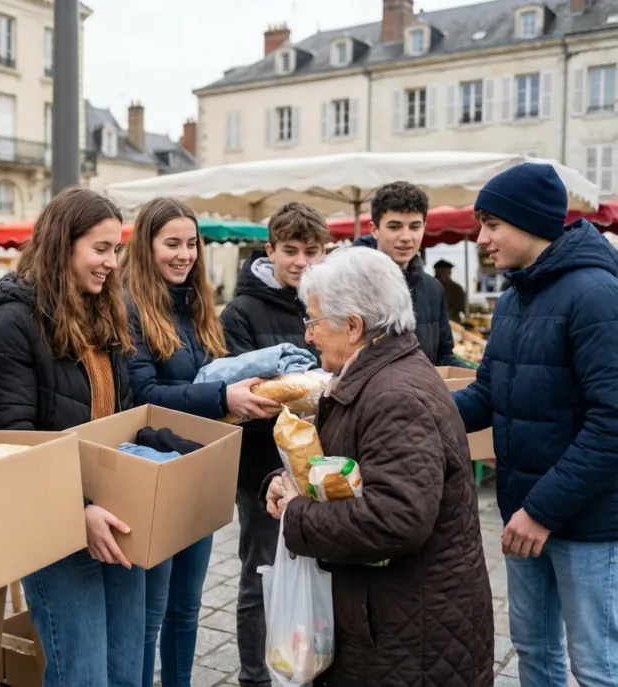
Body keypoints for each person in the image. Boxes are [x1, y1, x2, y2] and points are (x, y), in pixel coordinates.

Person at [264, 246, 494, 686]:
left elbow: (397, 518)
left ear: (353, 326)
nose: (308, 336)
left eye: (313, 321)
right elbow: (356, 467)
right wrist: (285, 481)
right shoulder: (379, 374)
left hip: (407, 637)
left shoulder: (394, 395)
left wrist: (298, 513)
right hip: (396, 622)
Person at [453, 163, 618, 686]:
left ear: (530, 223)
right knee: (534, 651)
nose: (483, 239)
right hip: (522, 513)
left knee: (595, 666)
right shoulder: (514, 298)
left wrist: (541, 512)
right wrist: (412, 414)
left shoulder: (596, 294)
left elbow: (611, 422)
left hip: (584, 524)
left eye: (492, 224)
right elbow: (487, 393)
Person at [0, 187, 144, 687]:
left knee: (126, 670)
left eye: (115, 250)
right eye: (100, 249)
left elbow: (126, 413)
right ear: (61, 244)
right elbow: (14, 442)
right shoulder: (12, 325)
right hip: (55, 528)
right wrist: (78, 510)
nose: (111, 263)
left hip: (116, 515)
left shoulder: (106, 313)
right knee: (84, 676)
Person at [122, 198, 280, 687]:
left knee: (187, 607)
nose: (184, 254)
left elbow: (219, 371)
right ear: (146, 246)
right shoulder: (128, 308)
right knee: (152, 613)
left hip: (202, 467)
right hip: (155, 470)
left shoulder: (198, 306)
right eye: (172, 243)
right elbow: (143, 394)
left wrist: (252, 387)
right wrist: (221, 395)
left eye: (191, 244)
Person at [219, 201, 328, 687]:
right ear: (270, 251)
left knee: (322, 568)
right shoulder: (241, 312)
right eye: (290, 251)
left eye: (311, 251)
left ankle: (310, 666)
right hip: (260, 466)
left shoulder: (330, 301)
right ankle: (255, 678)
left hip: (325, 463)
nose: (301, 261)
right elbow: (243, 394)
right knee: (260, 574)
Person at [355, 182, 459, 366]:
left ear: (424, 227)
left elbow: (444, 355)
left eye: (414, 227)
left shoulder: (433, 289)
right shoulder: (349, 284)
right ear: (374, 230)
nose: (405, 237)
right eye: (394, 227)